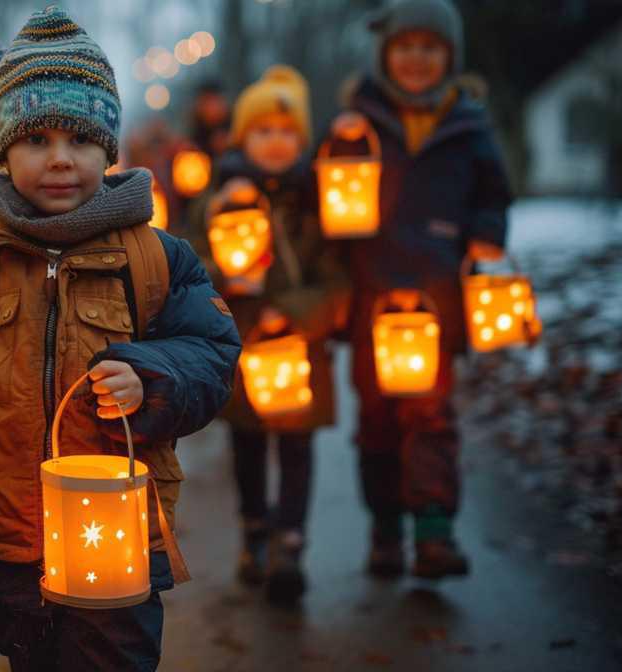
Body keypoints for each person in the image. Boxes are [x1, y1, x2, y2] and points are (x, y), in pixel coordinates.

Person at [0, 7, 240, 669]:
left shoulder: (158, 259)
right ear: (5, 148)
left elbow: (211, 355)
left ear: (109, 148)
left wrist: (152, 376)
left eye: (80, 139)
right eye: (37, 140)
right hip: (9, 536)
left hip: (115, 534)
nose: (59, 159)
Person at [326, 0, 512, 579]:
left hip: (438, 291)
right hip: (371, 290)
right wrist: (340, 145)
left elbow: (494, 191)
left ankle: (434, 530)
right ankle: (385, 529)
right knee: (378, 419)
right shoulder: (360, 118)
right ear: (386, 54)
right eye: (405, 47)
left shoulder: (469, 124)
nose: (416, 59)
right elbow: (323, 194)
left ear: (449, 57)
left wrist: (486, 235)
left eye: (429, 48)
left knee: (430, 413)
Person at [191, 65, 349, 603]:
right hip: (243, 346)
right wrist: (227, 280)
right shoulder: (219, 200)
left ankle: (290, 539)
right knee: (249, 442)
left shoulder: (321, 202)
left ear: (301, 140)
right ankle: (254, 528)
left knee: (298, 445)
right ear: (242, 138)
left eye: (286, 132)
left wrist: (294, 315)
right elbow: (188, 269)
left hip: (301, 346)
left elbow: (337, 278)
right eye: (262, 131)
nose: (275, 143)